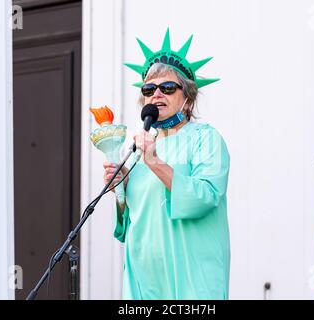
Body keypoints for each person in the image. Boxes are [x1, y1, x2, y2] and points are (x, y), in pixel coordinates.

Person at [103, 29, 230, 299]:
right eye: (149, 89)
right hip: (144, 283)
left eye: (167, 88)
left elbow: (206, 197)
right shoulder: (137, 146)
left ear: (189, 96)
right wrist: (121, 188)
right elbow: (128, 223)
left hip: (192, 281)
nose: (156, 94)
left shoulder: (206, 138)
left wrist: (156, 163)